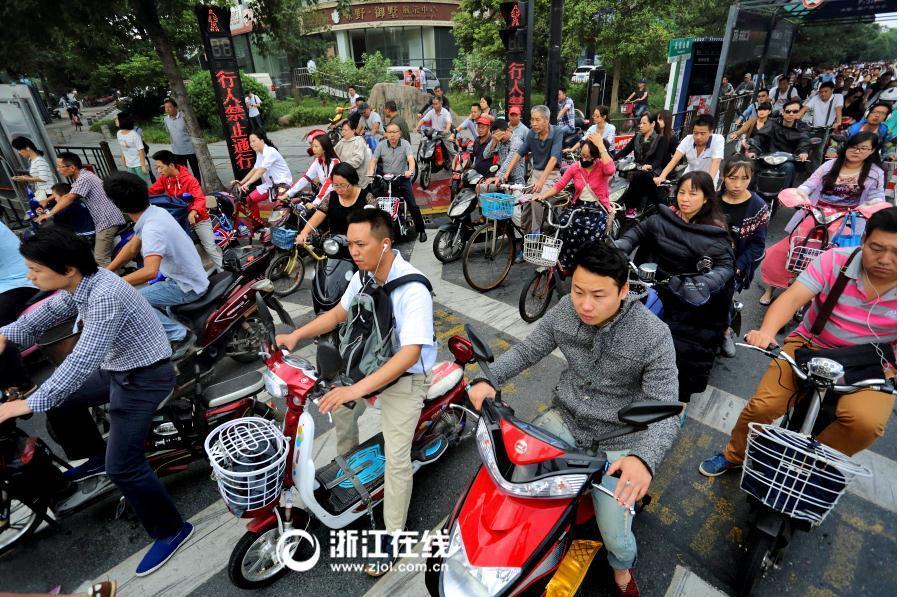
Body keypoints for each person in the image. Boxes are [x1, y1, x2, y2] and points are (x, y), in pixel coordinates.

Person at [467, 242, 680, 596]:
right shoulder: (565, 310)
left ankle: (622, 575)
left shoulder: (654, 336)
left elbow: (664, 406)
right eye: (579, 291)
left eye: (598, 295)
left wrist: (643, 459)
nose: (585, 304)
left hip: (619, 439)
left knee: (616, 536)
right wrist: (490, 379)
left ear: (624, 291)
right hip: (565, 419)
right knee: (510, 479)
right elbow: (528, 350)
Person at [0, 226, 193, 576]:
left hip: (143, 376)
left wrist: (26, 404)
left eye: (36, 270)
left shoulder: (104, 294)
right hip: (117, 368)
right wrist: (4, 336)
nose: (29, 276)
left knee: (125, 466)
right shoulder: (81, 283)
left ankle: (171, 529)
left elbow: (82, 359)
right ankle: (97, 456)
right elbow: (42, 317)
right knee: (60, 403)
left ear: (67, 268)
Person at [278, 208, 435, 575]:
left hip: (405, 378)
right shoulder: (364, 276)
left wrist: (356, 390)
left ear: (385, 243)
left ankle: (392, 539)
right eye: (349, 244)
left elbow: (410, 353)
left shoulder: (413, 288)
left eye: (361, 244)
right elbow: (337, 314)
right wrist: (296, 335)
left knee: (398, 460)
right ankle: (352, 479)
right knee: (341, 412)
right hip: (367, 364)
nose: (353, 251)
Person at [700, 207, 897, 477]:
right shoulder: (835, 261)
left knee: (866, 424)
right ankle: (734, 454)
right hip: (810, 347)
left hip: (873, 365)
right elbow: (792, 299)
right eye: (877, 248)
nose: (886, 259)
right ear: (863, 241)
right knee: (764, 406)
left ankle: (812, 467)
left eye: (896, 251)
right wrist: (767, 332)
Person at [616, 171, 735, 406]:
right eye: (682, 192)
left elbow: (724, 267)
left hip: (689, 297)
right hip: (656, 287)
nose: (685, 198)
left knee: (683, 352)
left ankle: (677, 404)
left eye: (693, 193)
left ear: (706, 199)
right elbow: (638, 232)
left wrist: (703, 283)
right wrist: (623, 244)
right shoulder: (663, 218)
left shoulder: (716, 233)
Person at [758, 132, 885, 306]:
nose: (857, 151)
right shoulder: (829, 165)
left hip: (847, 218)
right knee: (792, 246)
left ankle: (818, 292)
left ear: (872, 151)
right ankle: (772, 287)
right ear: (846, 147)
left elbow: (878, 196)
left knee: (838, 256)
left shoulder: (875, 173)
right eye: (854, 146)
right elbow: (810, 184)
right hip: (817, 212)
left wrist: (871, 206)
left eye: (864, 148)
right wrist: (801, 194)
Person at [104, 172, 209, 358]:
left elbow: (150, 271)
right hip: (186, 277)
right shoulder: (154, 212)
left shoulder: (153, 228)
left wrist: (114, 285)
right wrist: (106, 272)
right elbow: (131, 248)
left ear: (117, 205)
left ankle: (180, 336)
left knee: (128, 301)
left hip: (184, 286)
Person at [534, 135, 615, 269]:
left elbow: (611, 170)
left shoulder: (602, 166)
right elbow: (558, 186)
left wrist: (600, 145)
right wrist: (542, 196)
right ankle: (555, 263)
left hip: (597, 209)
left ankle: (585, 266)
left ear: (596, 156)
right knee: (561, 225)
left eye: (587, 156)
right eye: (581, 155)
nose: (583, 159)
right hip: (578, 206)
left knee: (590, 236)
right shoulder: (575, 167)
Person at [717, 156, 770, 357]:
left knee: (723, 296)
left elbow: (757, 246)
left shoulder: (758, 207)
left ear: (751, 178)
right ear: (723, 176)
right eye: (732, 178)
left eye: (744, 178)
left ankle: (725, 331)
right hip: (707, 259)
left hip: (736, 265)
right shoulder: (712, 199)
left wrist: (738, 266)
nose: (738, 184)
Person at [41, 153, 126, 268]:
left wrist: (49, 213)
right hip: (103, 220)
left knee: (100, 258)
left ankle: (114, 284)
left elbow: (68, 197)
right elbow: (67, 192)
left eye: (60, 166)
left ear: (72, 168)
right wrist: (48, 199)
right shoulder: (83, 176)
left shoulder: (84, 179)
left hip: (107, 221)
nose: (58, 169)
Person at [148, 150, 223, 271]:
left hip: (199, 219)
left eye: (161, 167)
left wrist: (193, 212)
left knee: (210, 248)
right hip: (180, 220)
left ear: (171, 165)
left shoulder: (189, 180)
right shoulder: (164, 179)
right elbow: (152, 191)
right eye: (157, 168)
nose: (159, 171)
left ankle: (225, 272)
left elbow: (199, 199)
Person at [502, 105, 564, 233]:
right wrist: (506, 173)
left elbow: (553, 159)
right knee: (524, 203)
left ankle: (535, 236)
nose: (533, 123)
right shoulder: (531, 133)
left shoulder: (557, 132)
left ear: (546, 120)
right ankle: (526, 235)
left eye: (537, 120)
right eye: (532, 120)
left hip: (551, 176)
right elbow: (519, 153)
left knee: (536, 201)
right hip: (535, 175)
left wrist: (541, 181)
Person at [368, 123, 427, 242]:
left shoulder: (405, 144)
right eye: (389, 132)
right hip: (387, 179)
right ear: (386, 134)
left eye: (394, 132)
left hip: (402, 178)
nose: (392, 135)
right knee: (385, 205)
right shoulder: (381, 145)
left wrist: (410, 171)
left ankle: (421, 230)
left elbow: (410, 159)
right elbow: (373, 160)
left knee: (413, 205)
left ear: (399, 134)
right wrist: (371, 171)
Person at [295, 162, 376, 246]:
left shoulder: (367, 198)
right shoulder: (331, 196)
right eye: (336, 185)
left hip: (360, 247)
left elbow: (376, 224)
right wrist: (304, 232)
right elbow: (318, 216)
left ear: (353, 182)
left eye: (343, 185)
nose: (339, 190)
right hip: (335, 246)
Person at [231, 132, 293, 223]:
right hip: (270, 185)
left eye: (254, 141)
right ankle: (257, 222)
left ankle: (275, 225)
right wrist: (242, 182)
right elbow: (255, 169)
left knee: (278, 211)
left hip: (282, 184)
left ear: (262, 140)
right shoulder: (260, 153)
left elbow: (261, 171)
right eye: (250, 142)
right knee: (250, 199)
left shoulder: (270, 152)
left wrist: (248, 183)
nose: (251, 144)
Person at [748, 99, 810, 188]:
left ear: (798, 113)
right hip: (767, 157)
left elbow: (804, 140)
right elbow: (759, 136)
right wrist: (753, 150)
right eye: (788, 111)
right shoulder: (772, 122)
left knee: (789, 167)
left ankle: (782, 196)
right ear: (782, 112)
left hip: (788, 159)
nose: (791, 114)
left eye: (795, 111)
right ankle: (747, 192)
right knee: (749, 163)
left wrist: (803, 152)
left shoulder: (803, 127)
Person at [654, 114, 725, 186]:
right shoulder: (688, 139)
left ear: (711, 132)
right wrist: (662, 176)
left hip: (709, 178)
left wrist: (707, 183)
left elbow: (716, 162)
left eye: (702, 134)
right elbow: (675, 159)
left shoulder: (718, 140)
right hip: (689, 176)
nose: (698, 137)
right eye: (695, 133)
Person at [282, 133, 341, 210]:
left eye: (316, 146)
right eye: (313, 146)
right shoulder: (318, 161)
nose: (313, 149)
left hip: (335, 199)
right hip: (324, 197)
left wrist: (315, 203)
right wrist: (288, 194)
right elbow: (306, 178)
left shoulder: (335, 162)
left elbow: (329, 184)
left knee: (309, 216)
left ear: (324, 148)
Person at [615, 112, 670, 177]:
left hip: (652, 170)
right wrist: (611, 159)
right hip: (637, 167)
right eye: (640, 123)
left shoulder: (661, 139)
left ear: (652, 124)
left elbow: (658, 160)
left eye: (644, 123)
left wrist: (650, 166)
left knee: (640, 176)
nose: (640, 126)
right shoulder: (637, 136)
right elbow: (625, 151)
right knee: (621, 172)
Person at [162, 98, 200, 182]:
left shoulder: (184, 116)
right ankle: (186, 188)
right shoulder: (166, 119)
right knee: (182, 172)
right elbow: (169, 133)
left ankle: (198, 187)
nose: (167, 109)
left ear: (175, 107)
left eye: (170, 107)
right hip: (177, 151)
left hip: (190, 150)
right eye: (165, 107)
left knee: (195, 170)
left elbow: (192, 131)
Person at [11, 137, 54, 202]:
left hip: (48, 193)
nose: (19, 153)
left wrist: (25, 178)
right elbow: (39, 177)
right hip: (43, 193)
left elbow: (43, 178)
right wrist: (25, 177)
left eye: (19, 150)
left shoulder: (39, 160)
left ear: (27, 148)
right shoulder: (34, 160)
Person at [485, 119, 526, 185]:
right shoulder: (498, 139)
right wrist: (493, 141)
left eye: (500, 134)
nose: (499, 137)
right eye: (496, 135)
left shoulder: (517, 142)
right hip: (502, 180)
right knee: (481, 188)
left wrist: (497, 176)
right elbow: (485, 155)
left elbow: (508, 161)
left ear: (508, 129)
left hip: (516, 182)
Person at [335, 119, 372, 190]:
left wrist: (342, 167)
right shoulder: (342, 141)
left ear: (353, 130)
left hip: (356, 176)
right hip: (343, 174)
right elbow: (333, 153)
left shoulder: (358, 141)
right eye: (342, 130)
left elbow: (357, 160)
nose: (343, 132)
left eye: (346, 130)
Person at [113, 112, 149, 183]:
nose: (115, 120)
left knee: (144, 184)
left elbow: (141, 150)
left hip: (139, 164)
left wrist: (143, 166)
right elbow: (122, 147)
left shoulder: (134, 135)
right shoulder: (119, 133)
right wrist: (123, 158)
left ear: (123, 120)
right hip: (130, 164)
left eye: (117, 119)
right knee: (134, 184)